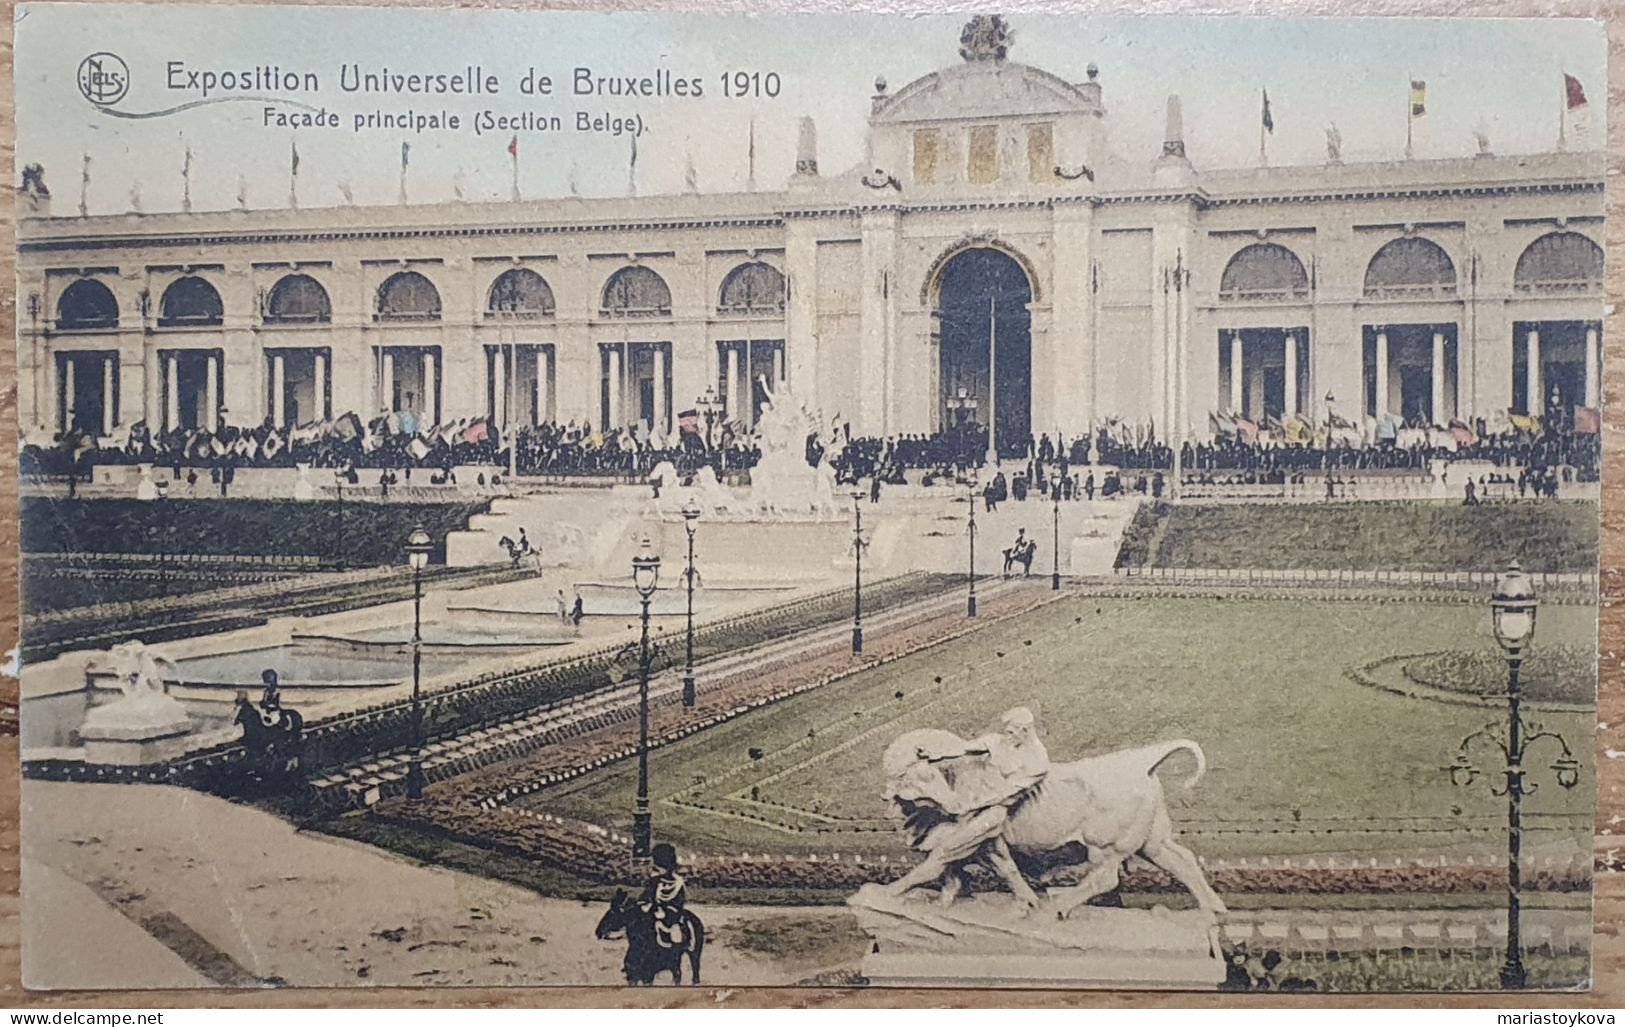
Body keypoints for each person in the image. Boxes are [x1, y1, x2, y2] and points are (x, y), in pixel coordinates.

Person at [639, 843, 689, 949]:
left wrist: (667, 908)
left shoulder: (678, 881)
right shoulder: (654, 881)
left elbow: (680, 901)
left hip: (671, 914)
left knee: (675, 931)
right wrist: (645, 904)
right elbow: (646, 896)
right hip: (654, 911)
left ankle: (675, 953)